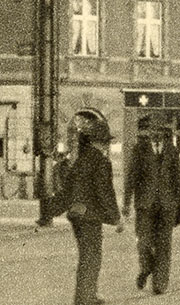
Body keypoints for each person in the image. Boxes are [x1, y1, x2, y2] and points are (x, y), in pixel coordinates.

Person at [56, 119, 123, 305]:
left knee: (86, 255)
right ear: (100, 142)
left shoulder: (80, 161)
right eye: (106, 142)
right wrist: (117, 218)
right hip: (90, 216)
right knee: (92, 256)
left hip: (76, 214)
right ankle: (86, 298)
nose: (107, 145)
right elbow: (105, 192)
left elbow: (67, 187)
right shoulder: (101, 161)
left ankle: (85, 295)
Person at [123, 114, 180, 297]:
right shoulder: (139, 150)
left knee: (164, 245)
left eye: (160, 130)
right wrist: (126, 204)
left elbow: (177, 179)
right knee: (143, 242)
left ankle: (160, 283)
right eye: (154, 130)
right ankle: (147, 268)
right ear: (149, 131)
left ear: (164, 132)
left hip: (167, 205)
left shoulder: (172, 150)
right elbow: (131, 179)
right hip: (145, 205)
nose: (156, 134)